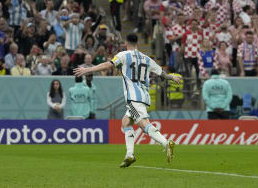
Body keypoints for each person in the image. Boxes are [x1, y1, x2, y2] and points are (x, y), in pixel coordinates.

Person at [74, 33, 181, 167]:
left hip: (133, 97)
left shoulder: (123, 55)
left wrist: (87, 69)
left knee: (143, 123)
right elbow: (162, 73)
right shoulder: (146, 58)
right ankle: (129, 155)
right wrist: (172, 77)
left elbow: (108, 65)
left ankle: (166, 143)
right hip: (144, 96)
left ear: (126, 42)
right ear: (137, 43)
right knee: (125, 123)